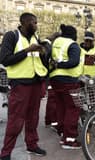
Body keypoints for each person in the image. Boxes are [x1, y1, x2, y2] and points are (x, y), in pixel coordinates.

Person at [0, 12, 49, 160]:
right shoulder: (11, 36)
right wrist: (28, 50)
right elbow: (5, 59)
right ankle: (6, 153)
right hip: (20, 84)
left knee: (33, 117)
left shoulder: (35, 37)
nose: (36, 25)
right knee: (16, 119)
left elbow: (37, 59)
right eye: (34, 22)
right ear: (25, 22)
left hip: (36, 82)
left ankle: (32, 145)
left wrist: (43, 53)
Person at [49, 24, 84, 149]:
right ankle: (70, 139)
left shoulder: (55, 42)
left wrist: (55, 66)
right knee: (73, 108)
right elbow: (74, 62)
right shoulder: (72, 44)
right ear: (73, 35)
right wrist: (60, 65)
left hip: (54, 80)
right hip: (68, 80)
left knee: (61, 107)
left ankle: (63, 134)